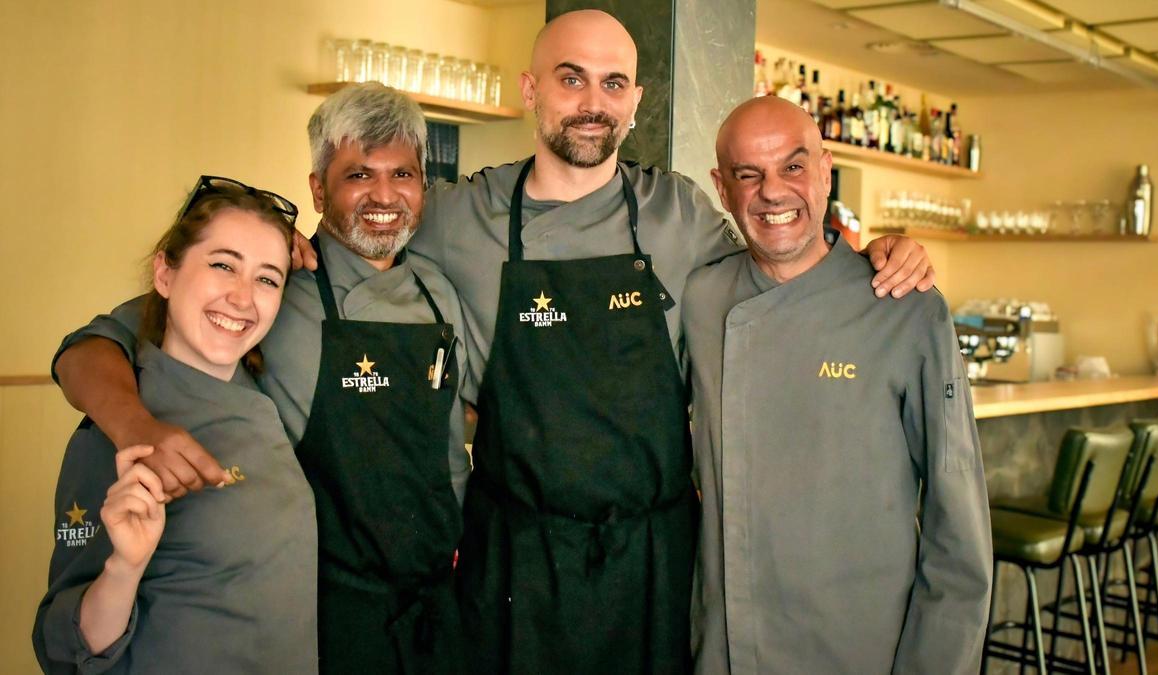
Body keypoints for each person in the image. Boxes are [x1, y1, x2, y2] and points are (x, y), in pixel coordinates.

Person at [328, 10, 931, 674]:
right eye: (571, 79)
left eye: (614, 83)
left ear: (636, 100)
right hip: (515, 561)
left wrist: (870, 253)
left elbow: (784, 268)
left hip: (654, 561)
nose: (593, 103)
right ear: (531, 90)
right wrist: (292, 248)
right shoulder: (458, 215)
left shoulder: (683, 215)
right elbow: (360, 230)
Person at [50, 85, 471, 673]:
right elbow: (90, 347)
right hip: (325, 608)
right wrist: (136, 427)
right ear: (319, 189)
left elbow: (451, 443)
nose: (384, 194)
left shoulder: (438, 291)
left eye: (402, 173)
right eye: (357, 175)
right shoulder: (274, 293)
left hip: (433, 604)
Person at [684, 96, 992, 674]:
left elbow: (959, 530)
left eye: (794, 167)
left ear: (827, 171)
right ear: (721, 190)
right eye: (747, 175)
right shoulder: (699, 300)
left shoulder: (905, 306)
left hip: (859, 646)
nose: (772, 192)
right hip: (727, 646)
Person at [34, 176, 318, 673]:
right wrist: (125, 567)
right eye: (223, 265)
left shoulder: (263, 393)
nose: (242, 297)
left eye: (267, 278)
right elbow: (61, 648)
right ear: (164, 274)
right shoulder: (121, 428)